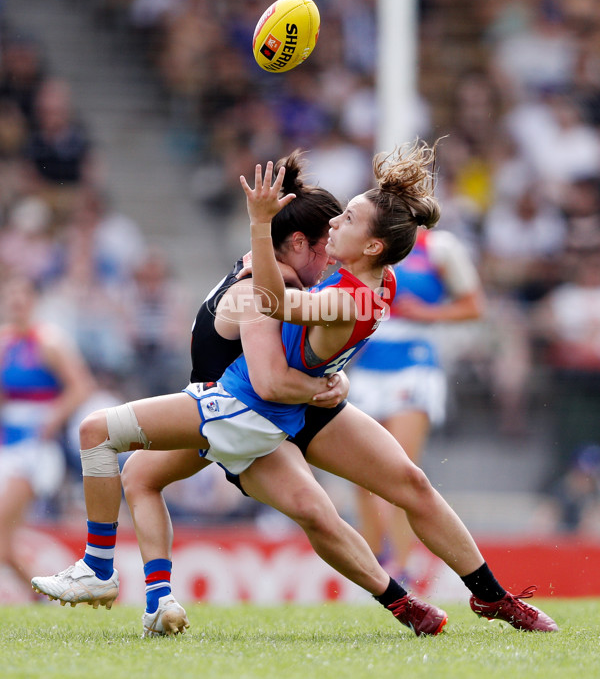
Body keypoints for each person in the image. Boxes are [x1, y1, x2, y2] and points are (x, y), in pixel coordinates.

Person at [32, 144, 558, 638]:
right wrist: (332, 376)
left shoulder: (337, 298)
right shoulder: (382, 283)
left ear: (373, 245)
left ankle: (99, 567)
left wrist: (261, 227)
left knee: (96, 432)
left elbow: (271, 307)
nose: (333, 224)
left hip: (245, 407)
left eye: (346, 219)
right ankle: (484, 596)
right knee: (398, 487)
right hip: (280, 406)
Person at [348, 227, 485, 582]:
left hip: (415, 365)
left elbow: (473, 306)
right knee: (359, 474)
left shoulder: (439, 246)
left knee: (401, 470)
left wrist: (427, 314)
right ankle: (376, 565)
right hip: (368, 365)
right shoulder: (367, 240)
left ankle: (402, 568)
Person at [0, 275, 94, 596]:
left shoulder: (49, 342)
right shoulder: (4, 343)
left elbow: (81, 387)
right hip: (8, 444)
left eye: (21, 294)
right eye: (10, 295)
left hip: (35, 449)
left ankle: (46, 597)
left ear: (33, 301)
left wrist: (53, 418)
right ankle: (45, 598)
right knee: (3, 545)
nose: (16, 301)